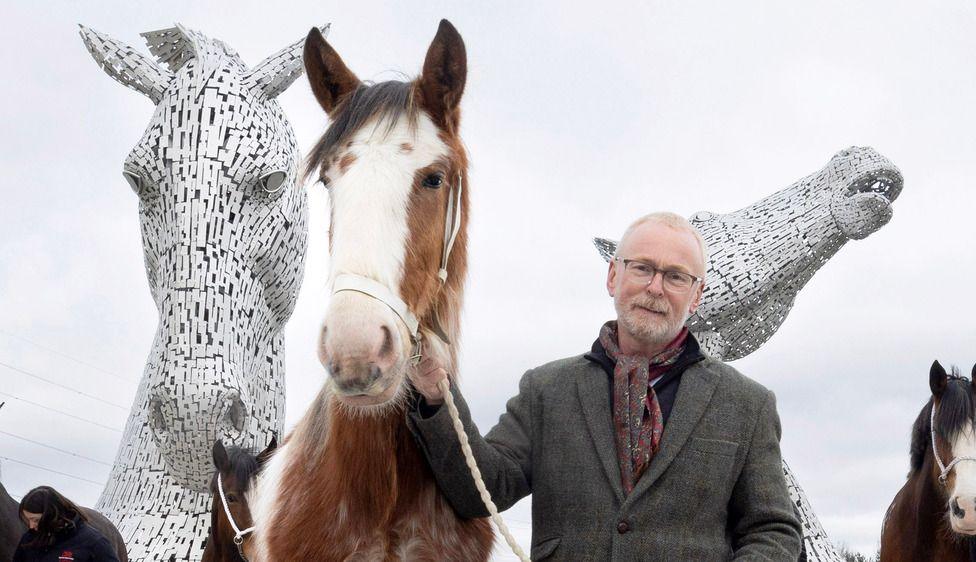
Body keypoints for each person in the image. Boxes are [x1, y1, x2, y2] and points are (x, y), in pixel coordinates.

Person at [407, 212, 802, 560]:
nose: (656, 287)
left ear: (696, 296)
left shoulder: (747, 404)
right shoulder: (546, 390)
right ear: (614, 275)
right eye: (642, 268)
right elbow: (483, 488)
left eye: (676, 276)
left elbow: (773, 532)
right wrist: (435, 394)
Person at [13, 486, 120, 562]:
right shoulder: (28, 540)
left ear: (53, 514)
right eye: (28, 520)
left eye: (36, 520)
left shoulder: (95, 542)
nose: (31, 526)